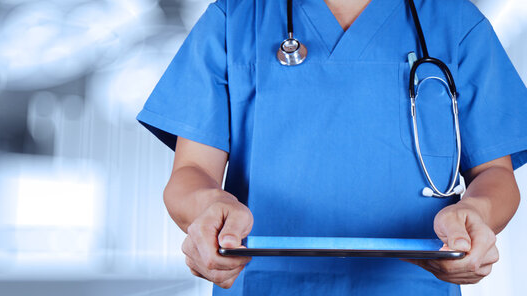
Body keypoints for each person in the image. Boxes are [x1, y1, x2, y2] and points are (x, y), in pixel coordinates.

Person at [136, 0, 527, 294]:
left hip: (413, 285)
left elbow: (495, 173)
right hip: (263, 285)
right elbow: (192, 172)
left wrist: (478, 213)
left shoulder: (454, 21)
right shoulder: (236, 16)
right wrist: (206, 211)